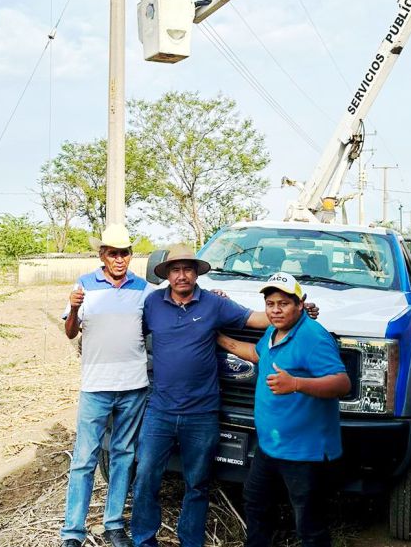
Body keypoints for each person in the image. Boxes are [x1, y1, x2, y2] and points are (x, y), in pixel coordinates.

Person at [130, 245, 319, 547]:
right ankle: (143, 540)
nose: (182, 275)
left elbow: (258, 319)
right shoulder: (152, 303)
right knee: (145, 479)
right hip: (160, 411)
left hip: (202, 413)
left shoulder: (213, 304)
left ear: (196, 273)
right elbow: (130, 335)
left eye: (188, 269)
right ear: (166, 274)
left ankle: (191, 541)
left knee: (197, 484)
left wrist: (298, 312)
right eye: (176, 270)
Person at [217, 272, 351, 547]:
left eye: (283, 303)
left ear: (300, 304)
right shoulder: (274, 331)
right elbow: (257, 354)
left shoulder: (313, 337)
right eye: (270, 303)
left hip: (304, 450)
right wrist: (220, 338)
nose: (276, 310)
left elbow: (342, 383)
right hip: (271, 445)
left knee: (308, 522)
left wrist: (296, 383)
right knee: (255, 502)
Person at [60, 224, 153, 547]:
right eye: (112, 253)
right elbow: (71, 333)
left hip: (133, 387)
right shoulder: (84, 285)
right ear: (102, 255)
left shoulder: (144, 289)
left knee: (123, 455)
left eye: (124, 253)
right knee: (85, 458)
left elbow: (167, 317)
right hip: (96, 386)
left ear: (130, 256)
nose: (119, 259)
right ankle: (73, 531)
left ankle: (113, 524)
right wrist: (73, 308)